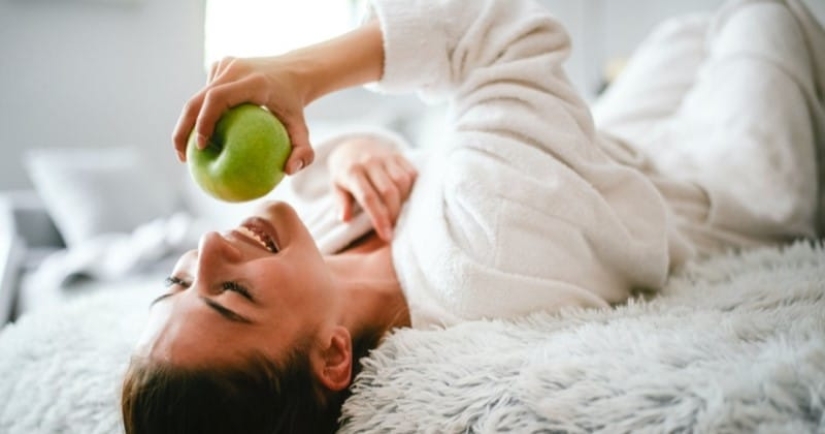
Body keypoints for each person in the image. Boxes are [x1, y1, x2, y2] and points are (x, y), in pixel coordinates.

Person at [121, 0, 825, 432]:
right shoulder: (480, 256)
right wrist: (301, 73)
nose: (208, 248)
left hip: (612, 154)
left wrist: (354, 152)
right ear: (334, 354)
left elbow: (371, 172)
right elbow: (497, 29)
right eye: (232, 296)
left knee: (677, 37)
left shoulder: (317, 253)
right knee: (761, 12)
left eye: (177, 284)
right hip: (714, 182)